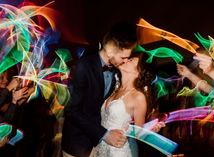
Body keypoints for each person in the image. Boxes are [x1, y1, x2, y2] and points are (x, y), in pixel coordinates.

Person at [61, 22, 138, 157]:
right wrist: (104, 134)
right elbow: (71, 110)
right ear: (111, 50)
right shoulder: (83, 67)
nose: (125, 61)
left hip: (100, 145)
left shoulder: (116, 71)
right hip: (78, 144)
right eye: (123, 57)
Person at [91, 52, 165, 157]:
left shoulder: (138, 96)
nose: (125, 60)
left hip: (118, 152)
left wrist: (151, 129)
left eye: (130, 60)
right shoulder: (114, 88)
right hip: (100, 147)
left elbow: (139, 133)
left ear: (139, 71)